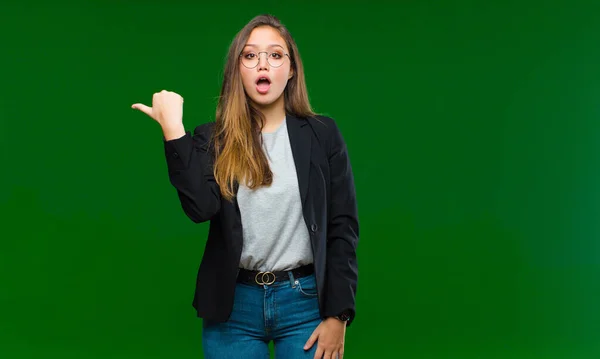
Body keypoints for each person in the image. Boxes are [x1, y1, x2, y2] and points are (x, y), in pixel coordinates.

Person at [131, 14, 359, 359]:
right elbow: (201, 208)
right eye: (250, 55)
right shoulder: (214, 137)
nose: (262, 63)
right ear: (237, 69)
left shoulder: (322, 134)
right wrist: (174, 131)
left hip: (305, 303)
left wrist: (338, 314)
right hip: (233, 306)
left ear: (291, 69)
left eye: (275, 55)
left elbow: (342, 227)